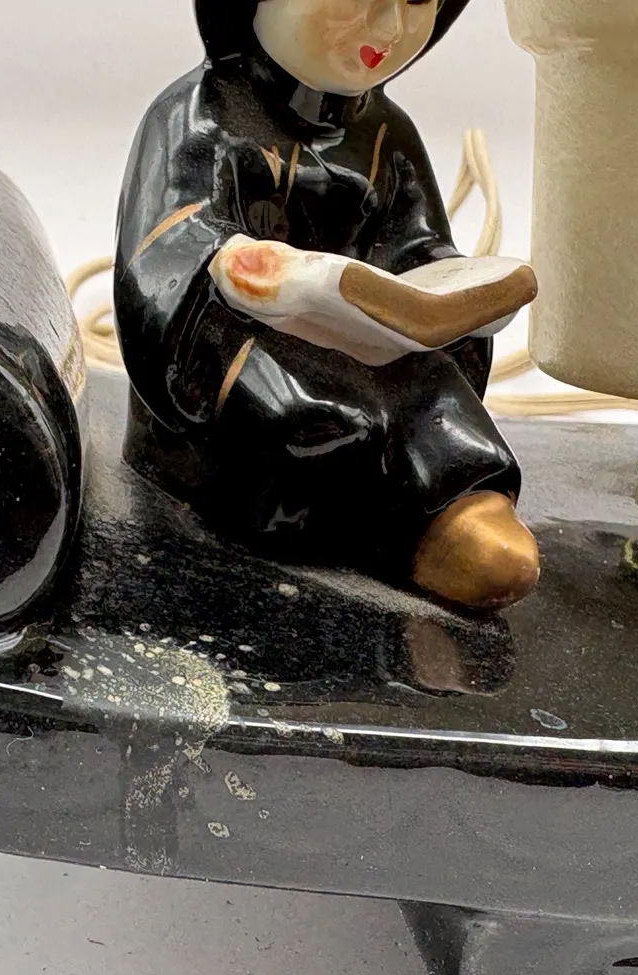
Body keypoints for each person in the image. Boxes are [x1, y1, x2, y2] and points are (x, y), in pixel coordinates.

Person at [115, 0, 540, 611]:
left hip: (373, 340)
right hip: (242, 337)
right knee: (317, 420)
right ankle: (360, 525)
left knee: (437, 400)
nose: (389, 30)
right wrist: (253, 269)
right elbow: (166, 253)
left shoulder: (388, 135)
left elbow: (417, 243)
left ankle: (458, 509)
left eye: (417, 3)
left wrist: (450, 288)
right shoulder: (199, 118)